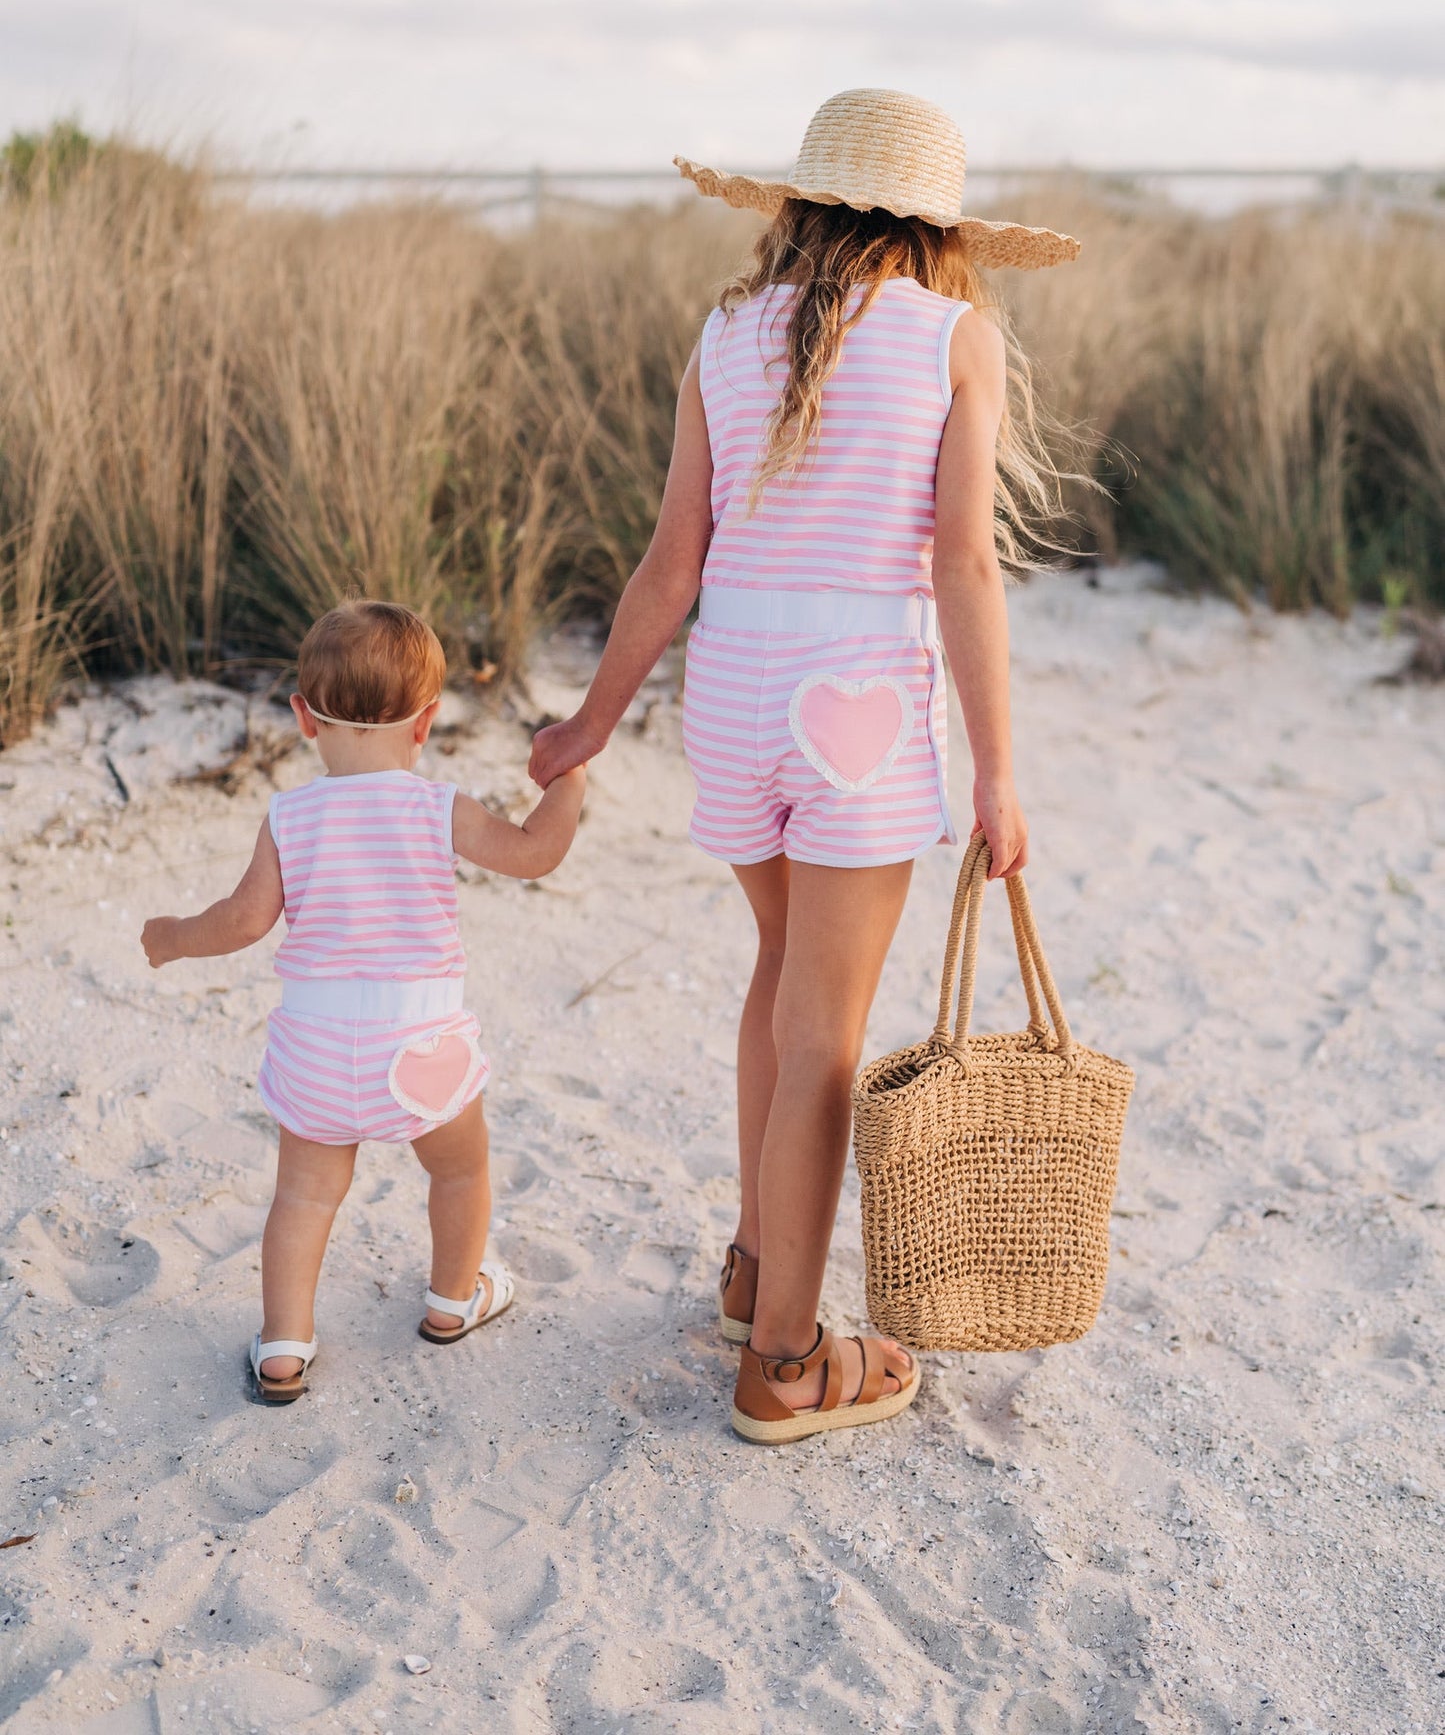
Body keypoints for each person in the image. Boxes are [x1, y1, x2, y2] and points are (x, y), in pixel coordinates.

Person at [529, 88, 1078, 1443]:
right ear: (938, 230)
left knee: (779, 976)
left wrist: (588, 724)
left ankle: (752, 1266)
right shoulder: (953, 336)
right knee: (823, 1028)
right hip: (862, 713)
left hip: (730, 695)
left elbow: (671, 565)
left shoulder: (723, 334)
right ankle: (782, 1357)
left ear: (800, 205)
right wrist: (997, 773)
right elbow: (962, 567)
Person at [141, 599, 585, 1403]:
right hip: (421, 1048)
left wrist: (173, 936)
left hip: (316, 1051)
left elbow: (243, 920)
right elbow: (533, 853)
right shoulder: (436, 806)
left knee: (303, 1196)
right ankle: (453, 1300)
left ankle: (284, 1346)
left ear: (304, 718)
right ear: (427, 723)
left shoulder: (290, 815)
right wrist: (570, 779)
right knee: (460, 1171)